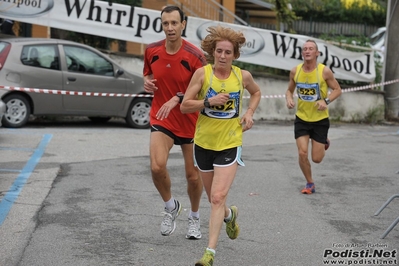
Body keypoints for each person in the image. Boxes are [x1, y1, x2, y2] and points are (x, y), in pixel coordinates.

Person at [180, 25, 261, 266]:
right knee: (214, 201)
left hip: (230, 143)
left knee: (217, 197)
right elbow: (185, 105)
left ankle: (209, 254)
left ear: (235, 55)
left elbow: (256, 93)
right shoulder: (202, 75)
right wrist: (208, 101)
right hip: (204, 144)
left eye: (228, 52)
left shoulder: (242, 76)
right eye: (219, 51)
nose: (223, 56)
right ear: (212, 52)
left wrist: (249, 112)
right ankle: (230, 215)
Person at [143, 5, 207, 239]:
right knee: (156, 166)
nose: (169, 28)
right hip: (163, 118)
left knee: (192, 176)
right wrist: (147, 82)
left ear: (183, 24)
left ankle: (195, 217)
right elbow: (148, 73)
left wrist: (178, 97)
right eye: (165, 23)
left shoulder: (196, 56)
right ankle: (171, 207)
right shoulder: (151, 50)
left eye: (173, 23)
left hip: (191, 121)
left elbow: (202, 92)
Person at [285, 39, 342, 195]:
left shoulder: (324, 71)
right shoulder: (295, 71)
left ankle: (324, 141)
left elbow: (337, 89)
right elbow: (289, 90)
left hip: (320, 120)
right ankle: (310, 183)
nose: (307, 51)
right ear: (302, 53)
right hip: (302, 118)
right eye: (305, 49)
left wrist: (326, 100)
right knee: (302, 153)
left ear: (317, 53)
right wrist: (289, 98)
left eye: (311, 49)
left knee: (316, 158)